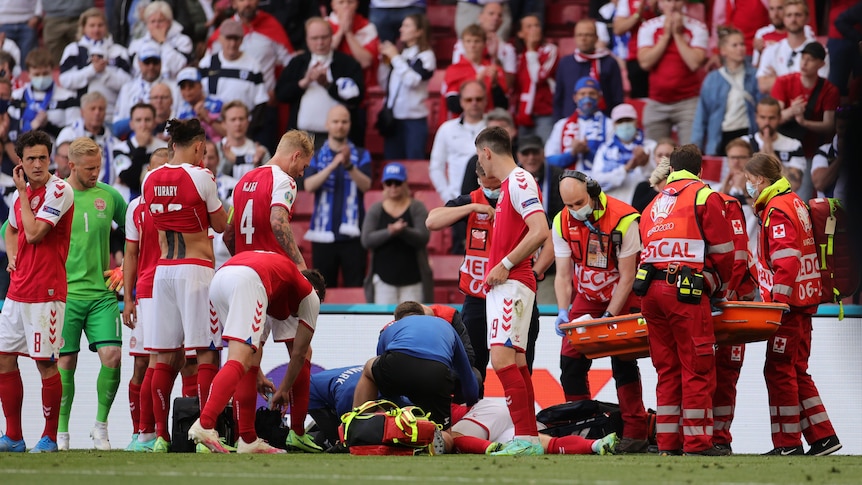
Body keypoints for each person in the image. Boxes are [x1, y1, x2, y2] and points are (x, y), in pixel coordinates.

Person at [223, 129, 318, 452]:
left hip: (244, 277)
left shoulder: (244, 180)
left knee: (248, 356)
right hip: (275, 278)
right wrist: (300, 265)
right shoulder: (283, 181)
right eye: (303, 165)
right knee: (301, 352)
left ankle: (245, 436)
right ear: (295, 155)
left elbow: (227, 235)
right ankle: (298, 432)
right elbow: (279, 221)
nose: (302, 173)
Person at [637, 144, 735, 456]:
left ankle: (667, 445)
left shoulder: (654, 202)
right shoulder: (705, 195)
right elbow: (723, 252)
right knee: (697, 366)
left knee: (667, 370)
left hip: (650, 292)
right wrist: (716, 285)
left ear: (670, 168)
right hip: (685, 292)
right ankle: (697, 444)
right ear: (700, 169)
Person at [744, 152, 841, 456]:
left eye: (749, 181)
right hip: (805, 300)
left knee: (779, 370)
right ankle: (823, 437)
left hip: (790, 305)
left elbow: (787, 260)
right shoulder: (795, 201)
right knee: (796, 369)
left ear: (760, 180)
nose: (748, 187)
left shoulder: (777, 208)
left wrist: (778, 302)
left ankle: (787, 444)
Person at [140, 118, 228, 452]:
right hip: (196, 270)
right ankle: (206, 433)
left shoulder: (150, 179)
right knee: (205, 352)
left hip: (164, 271)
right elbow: (221, 224)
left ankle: (160, 437)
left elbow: (160, 225)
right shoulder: (201, 176)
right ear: (197, 146)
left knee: (163, 357)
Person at [551, 170, 650, 454]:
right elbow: (562, 274)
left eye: (578, 203)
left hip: (623, 293)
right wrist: (562, 310)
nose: (574, 210)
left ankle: (635, 432)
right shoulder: (561, 221)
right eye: (568, 205)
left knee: (623, 363)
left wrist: (609, 317)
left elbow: (628, 275)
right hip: (587, 296)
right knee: (570, 364)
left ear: (592, 193)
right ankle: (583, 428)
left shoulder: (625, 219)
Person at [188, 251, 323, 454]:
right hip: (248, 280)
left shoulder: (278, 286)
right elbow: (300, 354)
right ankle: (206, 424)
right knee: (239, 360)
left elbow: (254, 353)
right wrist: (284, 389)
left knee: (244, 360)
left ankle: (248, 439)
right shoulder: (310, 297)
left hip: (221, 279)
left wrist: (259, 375)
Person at [475, 126, 549, 456]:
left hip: (514, 281)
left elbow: (540, 230)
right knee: (516, 361)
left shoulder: (519, 181)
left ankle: (525, 438)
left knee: (502, 358)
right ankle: (528, 437)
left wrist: (504, 263)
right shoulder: (509, 186)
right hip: (508, 283)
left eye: (479, 156)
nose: (480, 162)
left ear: (487, 152)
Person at [0, 130, 74, 453]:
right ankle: (13, 436)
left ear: (50, 158)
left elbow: (32, 232)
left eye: (43, 157)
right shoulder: (20, 196)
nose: (38, 163)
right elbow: (12, 230)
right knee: (3, 358)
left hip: (47, 292)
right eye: (30, 158)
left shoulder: (60, 190)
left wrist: (20, 191)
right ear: (21, 161)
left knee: (45, 363)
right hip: (18, 292)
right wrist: (11, 254)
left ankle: (50, 437)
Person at [54, 137, 127, 452]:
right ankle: (59, 434)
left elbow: (139, 234)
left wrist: (126, 268)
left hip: (102, 294)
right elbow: (11, 230)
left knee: (113, 356)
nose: (96, 173)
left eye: (98, 167)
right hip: (64, 294)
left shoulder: (109, 195)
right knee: (64, 363)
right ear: (71, 166)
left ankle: (100, 427)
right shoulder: (54, 195)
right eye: (89, 169)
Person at [351, 301, 479, 430]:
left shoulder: (390, 328)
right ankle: (439, 437)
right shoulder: (446, 324)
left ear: (397, 319)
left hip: (398, 364)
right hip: (437, 372)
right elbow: (466, 371)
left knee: (369, 369)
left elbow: (381, 368)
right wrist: (471, 403)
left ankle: (356, 427)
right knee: (443, 431)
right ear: (422, 315)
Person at [122, 148, 173, 452]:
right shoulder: (136, 208)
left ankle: (165, 432)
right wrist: (128, 298)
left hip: (178, 287)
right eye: (155, 170)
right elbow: (131, 253)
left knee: (184, 362)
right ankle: (142, 433)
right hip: (149, 291)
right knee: (145, 362)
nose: (159, 176)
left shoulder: (180, 200)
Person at [302, 105, 372, 288]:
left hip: (353, 235)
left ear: (349, 124)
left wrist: (348, 165)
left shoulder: (362, 154)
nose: (340, 125)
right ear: (327, 124)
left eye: (344, 121)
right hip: (323, 234)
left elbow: (366, 185)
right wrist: (333, 165)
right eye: (335, 121)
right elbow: (309, 185)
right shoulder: (316, 156)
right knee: (322, 288)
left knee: (355, 286)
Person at [277, 17, 365, 148]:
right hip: (302, 137)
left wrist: (328, 85)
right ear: (307, 39)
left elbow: (357, 98)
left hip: (338, 138)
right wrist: (304, 82)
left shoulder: (347, 63)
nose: (320, 43)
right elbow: (280, 94)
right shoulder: (298, 63)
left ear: (332, 37)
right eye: (314, 38)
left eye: (324, 37)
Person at [636, 0, 708, 145]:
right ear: (660, 3)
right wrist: (666, 36)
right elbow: (645, 63)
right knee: (653, 154)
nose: (673, 5)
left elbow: (694, 63)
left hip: (688, 102)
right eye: (668, 1)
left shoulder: (698, 28)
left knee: (690, 155)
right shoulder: (648, 27)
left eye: (677, 0)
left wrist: (678, 35)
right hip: (657, 101)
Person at [361, 162, 432, 304]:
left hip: (413, 279)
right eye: (389, 182)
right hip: (383, 279)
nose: (393, 186)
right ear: (383, 185)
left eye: (397, 182)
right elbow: (366, 240)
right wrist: (390, 231)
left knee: (413, 320)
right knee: (383, 322)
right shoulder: (376, 209)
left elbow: (424, 236)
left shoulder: (416, 207)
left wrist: (403, 231)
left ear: (405, 184)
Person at [448, 398, 619, 455]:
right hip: (502, 418)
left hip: (486, 414)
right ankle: (596, 445)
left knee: (452, 437)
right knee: (541, 444)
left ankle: (491, 449)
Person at [691, 26, 759, 157]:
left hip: (748, 134)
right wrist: (696, 146)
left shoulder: (755, 75)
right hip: (721, 137)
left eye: (742, 44)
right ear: (723, 51)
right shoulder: (713, 79)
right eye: (735, 45)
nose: (740, 48)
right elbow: (701, 115)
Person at [377, 13, 436, 161]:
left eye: (407, 26)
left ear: (419, 31)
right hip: (393, 118)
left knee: (413, 162)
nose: (401, 29)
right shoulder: (401, 55)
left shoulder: (426, 56)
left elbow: (413, 81)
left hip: (414, 120)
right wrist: (384, 62)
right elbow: (384, 84)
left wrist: (395, 57)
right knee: (391, 162)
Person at [58, 8, 132, 124]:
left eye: (100, 25)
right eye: (92, 25)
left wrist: (104, 72)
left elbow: (128, 83)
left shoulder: (119, 51)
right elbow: (65, 80)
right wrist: (92, 70)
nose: (96, 29)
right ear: (83, 27)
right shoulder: (73, 49)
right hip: (80, 117)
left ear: (106, 27)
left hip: (111, 115)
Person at [198, 20, 269, 134]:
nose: (232, 44)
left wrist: (249, 133)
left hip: (240, 129)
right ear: (220, 38)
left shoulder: (253, 66)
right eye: (228, 38)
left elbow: (260, 103)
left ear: (242, 40)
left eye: (236, 39)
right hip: (209, 129)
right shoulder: (207, 63)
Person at [771, 42, 838, 156]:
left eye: (810, 59)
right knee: (781, 174)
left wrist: (804, 122)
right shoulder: (783, 81)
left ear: (821, 64)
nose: (804, 63)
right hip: (782, 148)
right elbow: (773, 118)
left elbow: (829, 126)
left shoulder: (830, 90)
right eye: (803, 58)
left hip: (812, 150)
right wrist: (792, 111)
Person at [430, 80, 488, 204]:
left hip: (490, 200)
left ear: (485, 100)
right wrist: (448, 197)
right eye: (469, 99)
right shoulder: (446, 129)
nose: (474, 103)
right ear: (461, 101)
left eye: (478, 99)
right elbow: (436, 167)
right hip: (459, 200)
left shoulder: (494, 129)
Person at [554, 19, 623, 121]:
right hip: (570, 123)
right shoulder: (565, 63)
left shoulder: (609, 62)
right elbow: (558, 98)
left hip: (603, 123)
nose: (583, 38)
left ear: (596, 38)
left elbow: (617, 98)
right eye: (579, 35)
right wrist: (558, 123)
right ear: (574, 37)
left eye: (588, 35)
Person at [756, 0, 828, 95]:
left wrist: (778, 79)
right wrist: (802, 81)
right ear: (784, 19)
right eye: (789, 15)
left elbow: (817, 88)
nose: (793, 20)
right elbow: (763, 86)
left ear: (807, 18)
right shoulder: (771, 50)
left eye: (798, 15)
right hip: (778, 108)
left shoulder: (820, 51)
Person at [7, 48, 80, 142]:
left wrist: (47, 125)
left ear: (52, 71)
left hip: (56, 153)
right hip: (22, 152)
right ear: (28, 74)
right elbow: (10, 131)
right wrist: (30, 125)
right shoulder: (16, 96)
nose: (41, 78)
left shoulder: (68, 97)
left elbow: (74, 133)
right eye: (37, 75)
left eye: (45, 73)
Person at [56, 92, 122, 192]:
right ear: (82, 112)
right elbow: (63, 166)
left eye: (101, 109)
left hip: (105, 192)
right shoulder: (68, 134)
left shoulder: (115, 143)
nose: (97, 113)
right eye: (93, 108)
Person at [591, 103, 656, 204]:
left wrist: (646, 164)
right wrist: (626, 169)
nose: (625, 124)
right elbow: (596, 180)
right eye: (620, 121)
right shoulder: (605, 149)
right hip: (613, 204)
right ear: (614, 125)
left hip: (643, 205)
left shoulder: (650, 146)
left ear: (636, 122)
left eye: (628, 120)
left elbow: (659, 182)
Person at [545, 77, 613, 172]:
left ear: (599, 97)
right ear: (575, 97)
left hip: (599, 183)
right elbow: (550, 159)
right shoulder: (561, 125)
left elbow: (613, 162)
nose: (587, 98)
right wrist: (572, 153)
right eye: (582, 94)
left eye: (592, 93)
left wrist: (588, 152)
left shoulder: (610, 124)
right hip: (568, 183)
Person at [740, 96, 806, 193]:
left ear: (779, 118)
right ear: (756, 117)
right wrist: (760, 158)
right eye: (763, 117)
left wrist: (771, 155)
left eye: (772, 118)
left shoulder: (793, 145)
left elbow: (794, 185)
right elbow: (739, 183)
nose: (767, 122)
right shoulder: (744, 143)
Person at [443, 25, 508, 119]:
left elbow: (503, 106)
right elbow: (453, 106)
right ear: (463, 44)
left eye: (477, 41)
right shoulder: (453, 70)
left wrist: (495, 85)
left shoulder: (494, 70)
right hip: (463, 124)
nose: (472, 45)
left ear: (484, 44)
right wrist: (476, 81)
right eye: (468, 41)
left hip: (489, 122)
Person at [513, 14, 558, 141]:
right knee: (524, 154)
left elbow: (538, 77)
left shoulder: (550, 50)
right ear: (520, 33)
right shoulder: (518, 56)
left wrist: (531, 51)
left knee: (545, 153)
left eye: (537, 25)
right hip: (523, 114)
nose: (534, 29)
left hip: (545, 113)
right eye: (529, 26)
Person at [452, 3, 517, 90]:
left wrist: (495, 57)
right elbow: (456, 76)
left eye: (499, 15)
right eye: (491, 13)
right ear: (480, 17)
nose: (495, 18)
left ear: (502, 21)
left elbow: (509, 84)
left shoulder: (508, 49)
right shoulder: (462, 45)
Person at [112, 41, 168, 139]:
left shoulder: (172, 87)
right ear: (139, 63)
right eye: (147, 62)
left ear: (161, 62)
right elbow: (116, 128)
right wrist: (141, 119)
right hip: (134, 140)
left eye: (155, 62)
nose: (151, 66)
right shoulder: (128, 88)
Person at [112, 103, 169, 200]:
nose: (143, 125)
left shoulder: (165, 148)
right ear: (131, 124)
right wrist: (141, 147)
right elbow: (131, 179)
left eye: (147, 120)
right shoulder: (120, 148)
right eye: (138, 120)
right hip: (126, 203)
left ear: (155, 122)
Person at [127, 1, 193, 80]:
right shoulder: (136, 44)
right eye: (152, 21)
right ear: (147, 24)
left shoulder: (183, 41)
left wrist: (163, 42)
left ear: (169, 22)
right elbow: (137, 72)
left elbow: (179, 67)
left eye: (160, 21)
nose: (156, 25)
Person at [328, 0, 380, 92]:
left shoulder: (367, 26)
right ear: (333, 5)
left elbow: (366, 62)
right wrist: (341, 32)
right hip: (330, 80)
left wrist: (348, 33)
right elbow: (323, 56)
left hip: (360, 83)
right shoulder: (324, 25)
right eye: (341, 2)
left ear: (357, 4)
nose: (346, 6)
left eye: (350, 2)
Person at [307, 365, 363, 449]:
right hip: (313, 391)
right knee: (339, 438)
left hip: (323, 384)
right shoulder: (347, 397)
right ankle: (312, 438)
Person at [612, 0, 658, 99]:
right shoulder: (627, 1)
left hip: (663, 56)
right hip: (636, 57)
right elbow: (618, 29)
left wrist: (656, 9)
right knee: (640, 99)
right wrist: (637, 15)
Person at [217, 101, 271, 180]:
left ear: (248, 122)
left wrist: (258, 165)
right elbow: (213, 179)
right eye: (233, 119)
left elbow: (270, 180)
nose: (238, 123)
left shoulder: (260, 151)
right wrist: (229, 162)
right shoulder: (215, 149)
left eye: (241, 119)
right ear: (224, 123)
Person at [752, 0, 815, 68]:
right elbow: (757, 71)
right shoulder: (762, 33)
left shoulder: (804, 30)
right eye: (771, 9)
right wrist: (760, 53)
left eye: (780, 8)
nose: (775, 14)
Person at [176, 67, 225, 142]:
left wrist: (207, 118)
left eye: (191, 86)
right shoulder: (182, 111)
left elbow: (228, 133)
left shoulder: (217, 105)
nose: (187, 90)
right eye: (183, 87)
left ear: (201, 86)